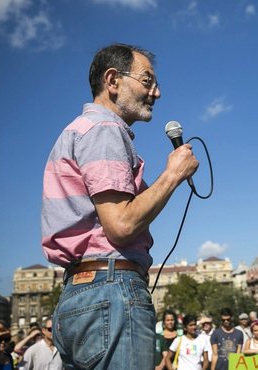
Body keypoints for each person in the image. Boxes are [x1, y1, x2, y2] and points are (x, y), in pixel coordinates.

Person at [42, 43, 199, 370]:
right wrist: (173, 174)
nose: (157, 92)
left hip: (77, 296)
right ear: (112, 81)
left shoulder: (79, 130)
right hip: (110, 294)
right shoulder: (105, 130)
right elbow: (122, 225)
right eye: (147, 81)